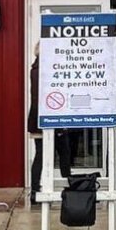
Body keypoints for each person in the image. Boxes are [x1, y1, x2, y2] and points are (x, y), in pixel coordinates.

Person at [28, 43, 78, 194]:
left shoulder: (34, 70)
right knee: (63, 152)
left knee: (41, 154)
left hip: (37, 117)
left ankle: (35, 189)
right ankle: (68, 183)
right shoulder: (48, 70)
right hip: (52, 116)